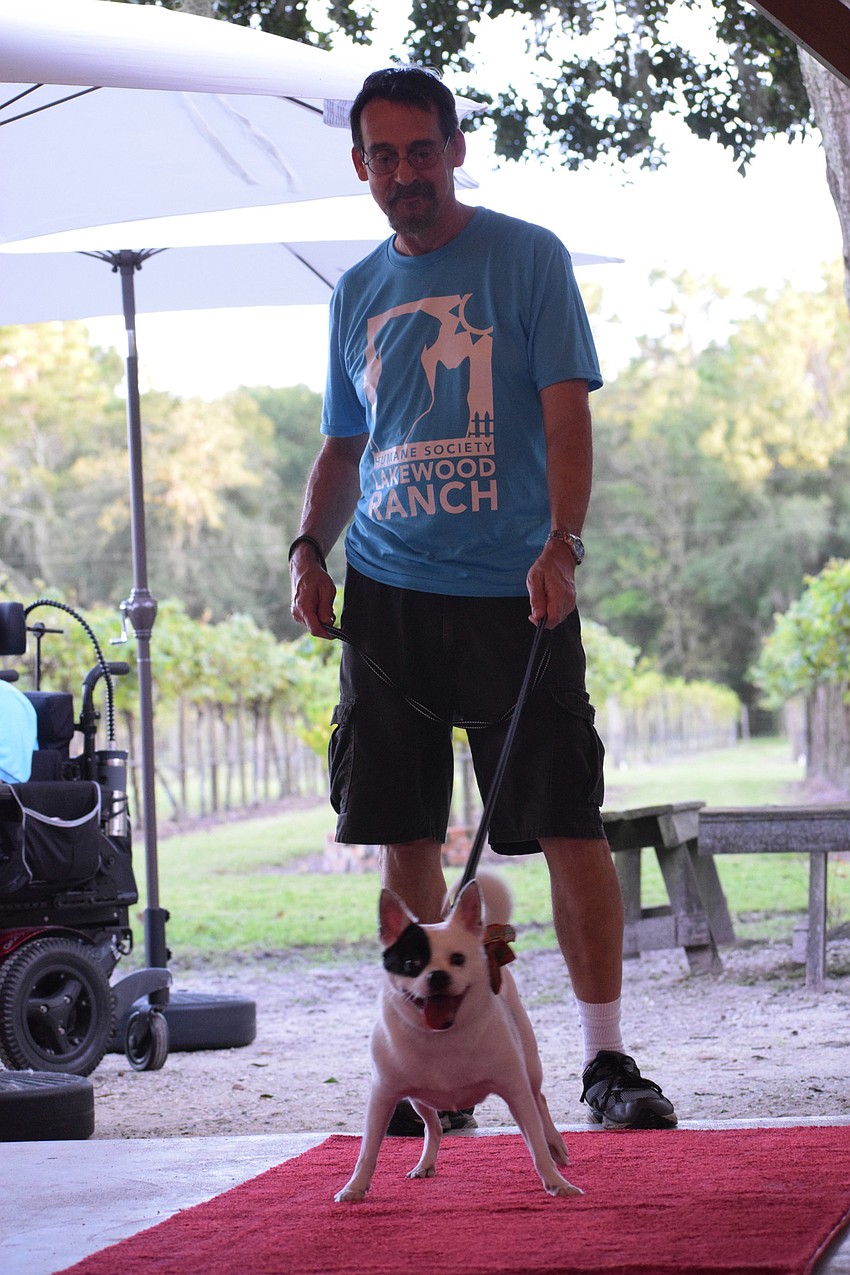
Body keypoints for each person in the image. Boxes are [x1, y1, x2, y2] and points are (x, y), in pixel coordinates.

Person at [289, 66, 676, 1132]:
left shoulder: (525, 258)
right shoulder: (357, 291)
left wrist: (561, 543)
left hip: (518, 591)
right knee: (403, 829)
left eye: (423, 150)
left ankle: (605, 1066)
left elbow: (566, 420)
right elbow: (340, 444)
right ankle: (439, 1079)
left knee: (565, 823)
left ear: (456, 148)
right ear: (359, 165)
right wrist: (306, 555)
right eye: (385, 156)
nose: (406, 173)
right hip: (388, 598)